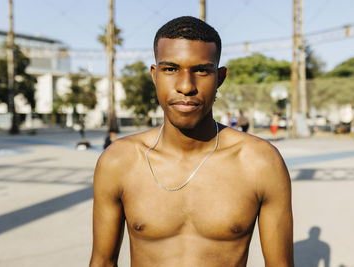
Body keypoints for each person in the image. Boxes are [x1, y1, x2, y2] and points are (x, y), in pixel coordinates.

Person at [90, 16, 293, 267]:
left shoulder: (260, 162)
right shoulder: (119, 160)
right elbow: (102, 262)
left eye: (201, 70)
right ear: (155, 75)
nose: (186, 86)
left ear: (220, 78)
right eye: (170, 69)